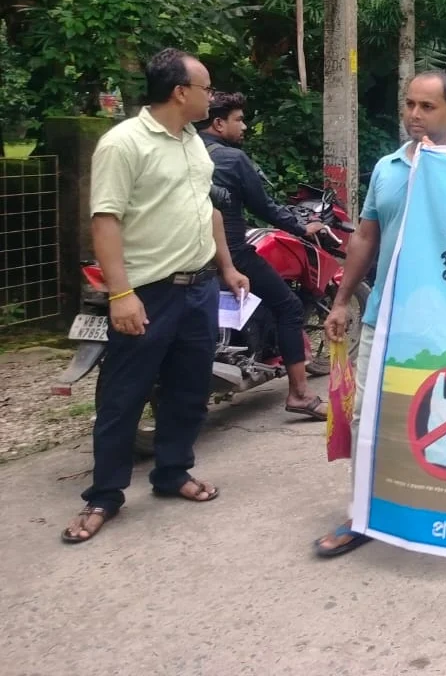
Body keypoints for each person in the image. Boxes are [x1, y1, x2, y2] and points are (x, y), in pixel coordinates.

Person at [63, 48, 250, 544]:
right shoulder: (124, 143)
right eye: (206, 87)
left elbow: (206, 209)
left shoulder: (192, 141)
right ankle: (103, 495)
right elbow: (105, 219)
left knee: (190, 391)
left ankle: (171, 472)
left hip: (199, 289)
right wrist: (121, 293)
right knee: (123, 397)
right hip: (148, 293)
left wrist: (226, 266)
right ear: (180, 92)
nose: (211, 96)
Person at [314, 70, 446, 558]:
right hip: (386, 313)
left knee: (443, 416)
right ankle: (363, 513)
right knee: (368, 416)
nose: (415, 116)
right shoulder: (387, 168)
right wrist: (341, 302)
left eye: (428, 107)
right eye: (410, 105)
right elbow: (366, 236)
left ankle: (442, 509)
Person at [198, 92, 327, 420]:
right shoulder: (232, 159)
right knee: (290, 306)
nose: (244, 125)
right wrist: (302, 227)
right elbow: (263, 206)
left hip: (193, 253)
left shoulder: (186, 150)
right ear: (218, 123)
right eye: (239, 120)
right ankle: (299, 393)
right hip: (232, 251)